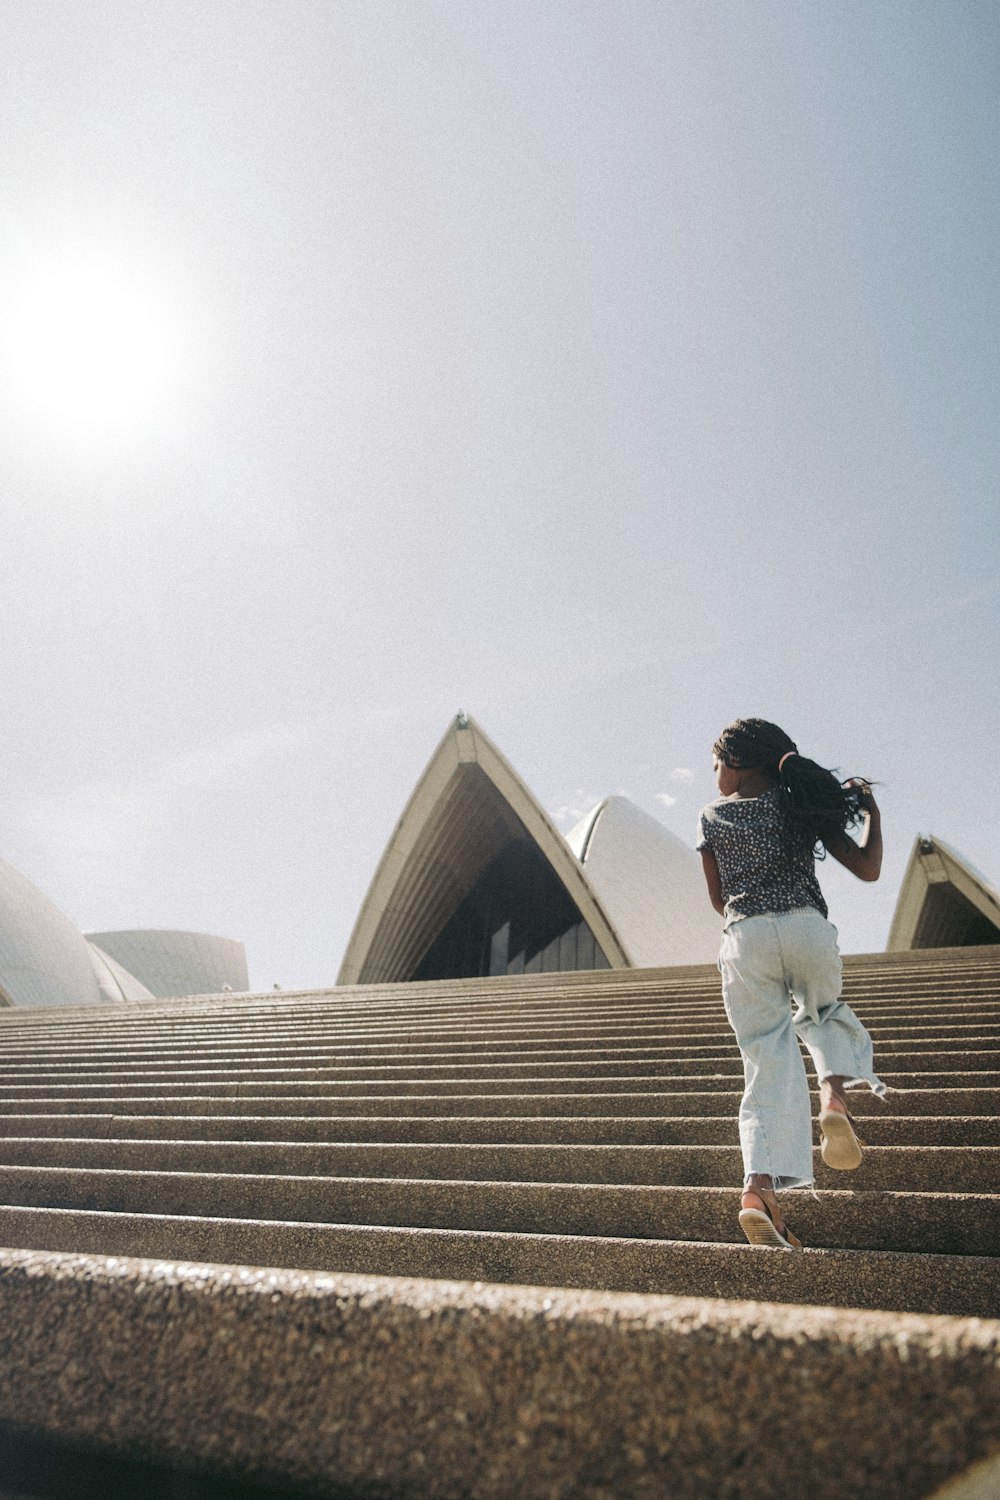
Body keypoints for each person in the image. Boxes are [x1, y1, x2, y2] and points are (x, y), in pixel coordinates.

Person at [696, 717, 884, 1250]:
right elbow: (867, 868)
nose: (713, 774)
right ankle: (834, 1097)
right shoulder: (799, 802)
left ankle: (759, 1192)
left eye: (716, 764)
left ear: (735, 763)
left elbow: (717, 899)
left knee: (765, 1060)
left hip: (744, 937)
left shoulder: (710, 817)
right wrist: (872, 814)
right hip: (806, 924)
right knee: (823, 1013)